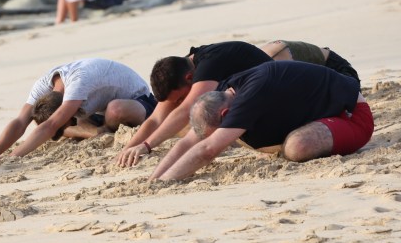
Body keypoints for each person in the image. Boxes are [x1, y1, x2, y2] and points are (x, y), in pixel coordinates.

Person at [116, 40, 362, 167]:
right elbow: (157, 118)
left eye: (180, 96)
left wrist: (148, 146)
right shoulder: (180, 70)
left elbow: (182, 111)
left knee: (192, 118)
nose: (180, 102)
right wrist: (129, 149)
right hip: (275, 81)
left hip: (325, 67)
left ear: (191, 78)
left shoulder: (209, 67)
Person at [150, 61, 372, 181]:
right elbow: (189, 142)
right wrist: (154, 179)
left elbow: (207, 149)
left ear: (226, 115)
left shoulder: (247, 99)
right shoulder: (222, 94)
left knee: (297, 147)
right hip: (315, 108)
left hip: (352, 115)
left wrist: (167, 181)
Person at [0, 58, 155, 166]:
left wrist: (12, 157)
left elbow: (51, 125)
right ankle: (100, 131)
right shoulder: (43, 86)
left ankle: (102, 130)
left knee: (115, 110)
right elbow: (20, 121)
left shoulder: (77, 84)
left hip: (138, 100)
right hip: (98, 110)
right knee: (58, 128)